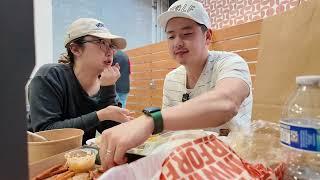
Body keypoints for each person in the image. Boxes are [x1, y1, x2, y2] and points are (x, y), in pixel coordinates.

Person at [99, 0, 253, 170]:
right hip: (187, 163)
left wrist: (151, 121)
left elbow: (226, 103)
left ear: (207, 36)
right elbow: (169, 134)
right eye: (171, 36)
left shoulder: (231, 63)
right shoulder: (172, 78)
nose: (177, 42)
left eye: (186, 34)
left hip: (231, 163)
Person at [28, 18, 134, 143]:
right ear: (75, 49)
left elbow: (111, 131)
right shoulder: (49, 76)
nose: (110, 51)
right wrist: (100, 115)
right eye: (101, 42)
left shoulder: (104, 83)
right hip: (41, 157)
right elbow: (46, 132)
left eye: (111, 45)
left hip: (79, 157)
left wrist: (109, 88)